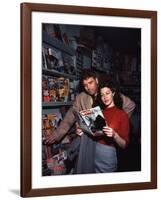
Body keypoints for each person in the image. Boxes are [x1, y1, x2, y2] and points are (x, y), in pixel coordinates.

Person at [45, 70, 135, 173]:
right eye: (85, 85)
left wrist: (116, 124)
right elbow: (70, 117)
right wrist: (57, 134)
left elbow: (130, 105)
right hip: (89, 141)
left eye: (90, 82)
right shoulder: (81, 98)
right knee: (87, 169)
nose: (88, 87)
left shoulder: (106, 92)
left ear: (96, 80)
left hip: (106, 145)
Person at [93, 81, 129, 173]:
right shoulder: (99, 113)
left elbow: (124, 145)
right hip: (93, 152)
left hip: (107, 156)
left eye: (107, 93)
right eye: (102, 95)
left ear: (113, 93)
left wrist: (115, 135)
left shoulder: (122, 114)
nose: (105, 97)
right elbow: (93, 132)